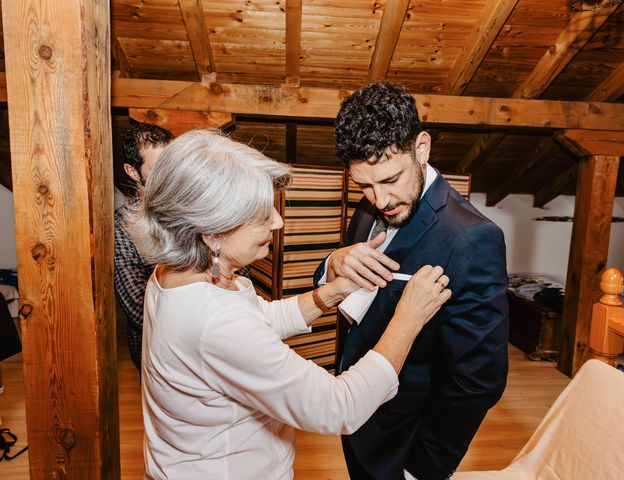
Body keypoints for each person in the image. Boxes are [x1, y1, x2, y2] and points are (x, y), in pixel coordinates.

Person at [126, 129, 452, 479]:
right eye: (261, 214)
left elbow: (257, 317)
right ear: (212, 232)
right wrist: (408, 319)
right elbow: (338, 406)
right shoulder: (215, 321)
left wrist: (331, 292)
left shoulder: (176, 271)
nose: (277, 222)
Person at [314, 81, 509, 480]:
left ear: (421, 148)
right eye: (363, 185)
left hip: (406, 442)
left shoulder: (472, 238)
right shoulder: (369, 208)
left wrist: (423, 468)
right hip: (358, 416)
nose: (380, 200)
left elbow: (477, 379)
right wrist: (334, 263)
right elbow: (354, 287)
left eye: (390, 180)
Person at [114, 123, 174, 370]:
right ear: (132, 171)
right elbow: (138, 308)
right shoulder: (123, 224)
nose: (170, 174)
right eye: (158, 167)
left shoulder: (198, 206)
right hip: (156, 352)